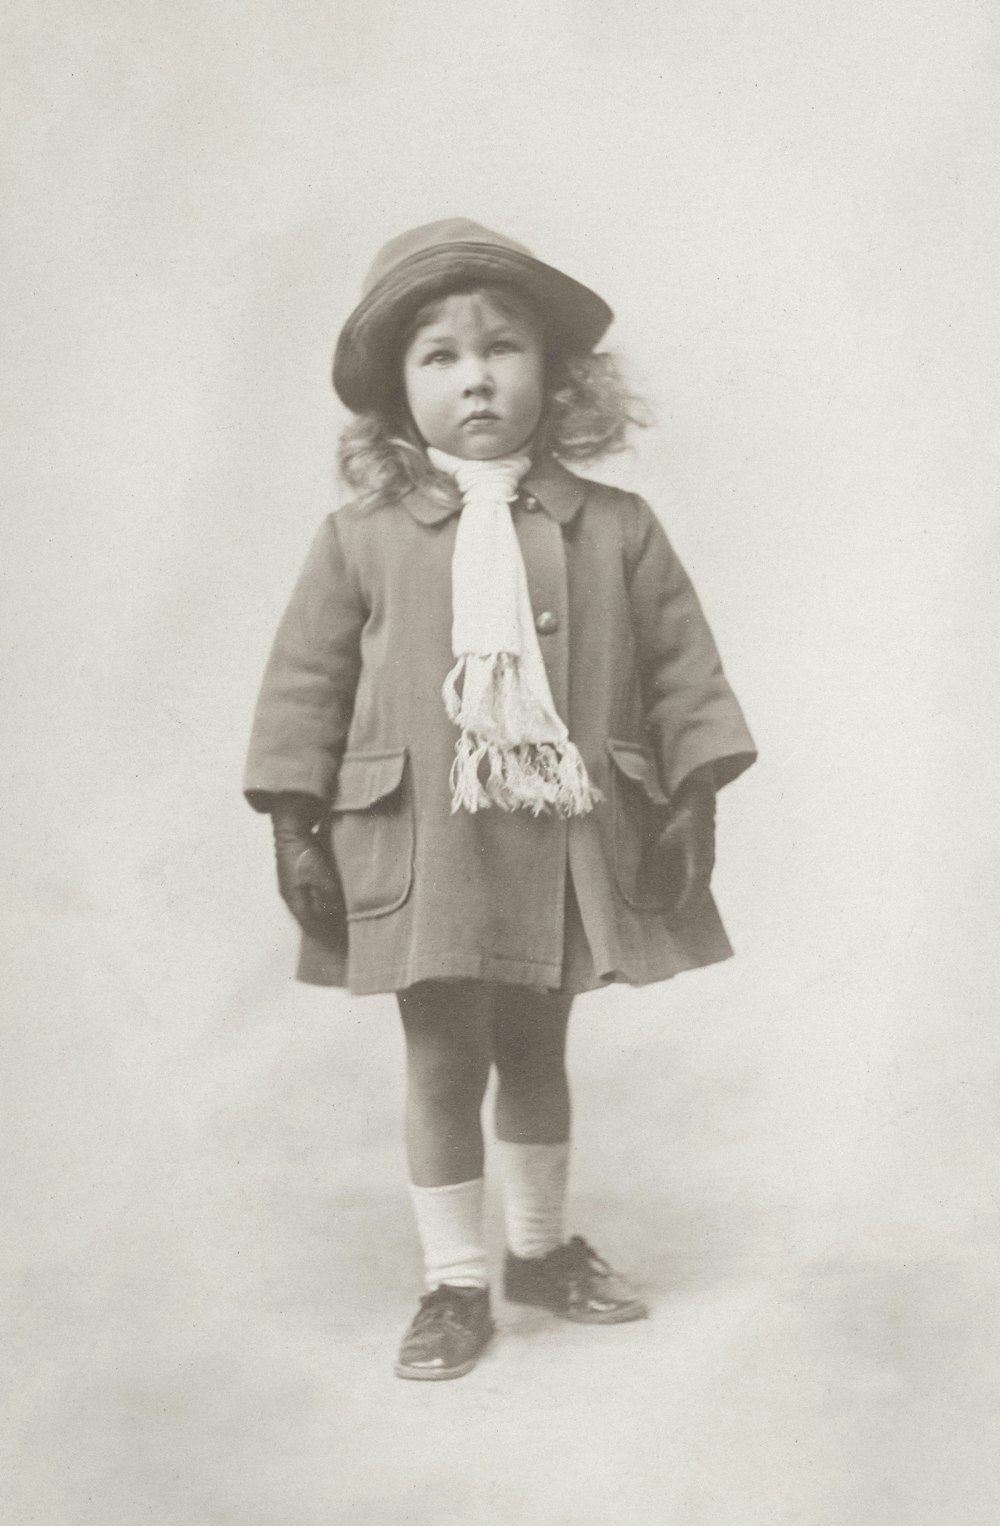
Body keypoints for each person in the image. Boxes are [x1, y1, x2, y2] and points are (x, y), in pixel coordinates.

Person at [244, 219, 756, 1381]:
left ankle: (536, 1247)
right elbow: (303, 687)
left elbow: (684, 673)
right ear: (394, 391)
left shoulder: (617, 526)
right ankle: (453, 1282)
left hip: (565, 837)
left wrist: (694, 804)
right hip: (426, 839)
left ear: (555, 374)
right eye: (439, 354)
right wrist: (294, 823)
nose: (476, 373)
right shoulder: (362, 537)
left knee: (537, 1040)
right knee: (441, 1053)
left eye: (502, 346)